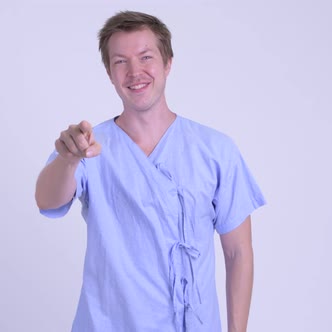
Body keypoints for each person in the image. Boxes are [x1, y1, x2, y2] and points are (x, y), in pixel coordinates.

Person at [35, 10, 265, 332]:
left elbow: (238, 252)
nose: (134, 72)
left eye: (146, 57)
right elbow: (46, 201)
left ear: (168, 63)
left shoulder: (216, 150)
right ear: (109, 73)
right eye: (120, 62)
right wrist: (69, 158)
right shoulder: (88, 146)